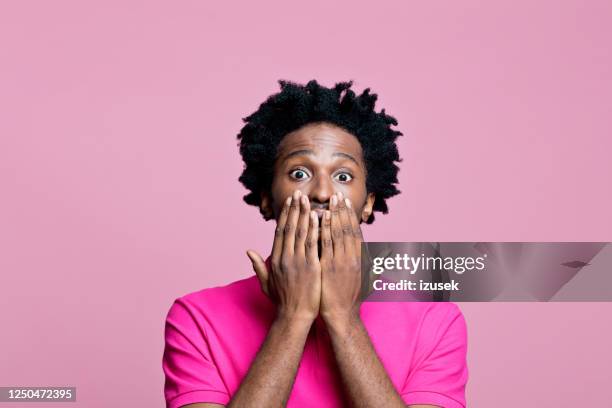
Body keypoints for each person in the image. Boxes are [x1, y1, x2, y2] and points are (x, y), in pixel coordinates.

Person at [162, 80, 468, 408]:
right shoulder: (197, 318)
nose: (322, 193)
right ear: (266, 199)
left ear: (368, 203)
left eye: (343, 176)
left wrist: (342, 318)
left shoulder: (435, 320)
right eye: (299, 174)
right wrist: (293, 316)